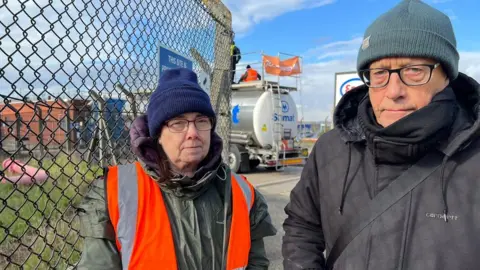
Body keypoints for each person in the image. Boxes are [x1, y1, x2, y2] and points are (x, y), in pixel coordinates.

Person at [282, 0, 480, 269]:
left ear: (446, 76)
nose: (393, 90)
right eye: (380, 73)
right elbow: (302, 224)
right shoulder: (332, 148)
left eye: (413, 70)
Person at [76, 68, 277, 269]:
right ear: (158, 135)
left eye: (201, 121)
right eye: (178, 123)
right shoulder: (114, 193)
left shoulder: (243, 193)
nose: (193, 133)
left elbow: (256, 262)